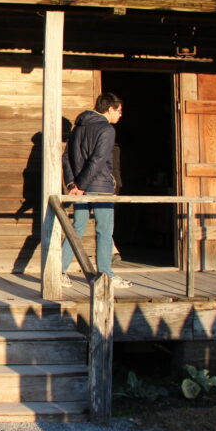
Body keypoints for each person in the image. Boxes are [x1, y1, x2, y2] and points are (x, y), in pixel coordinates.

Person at [61, 92, 132, 289]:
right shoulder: (107, 129)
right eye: (119, 111)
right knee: (104, 230)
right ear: (109, 109)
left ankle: (59, 270)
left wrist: (72, 185)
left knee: (76, 229)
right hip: (100, 188)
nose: (120, 115)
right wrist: (82, 186)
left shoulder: (78, 128)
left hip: (79, 187)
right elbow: (98, 160)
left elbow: (66, 157)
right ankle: (106, 274)